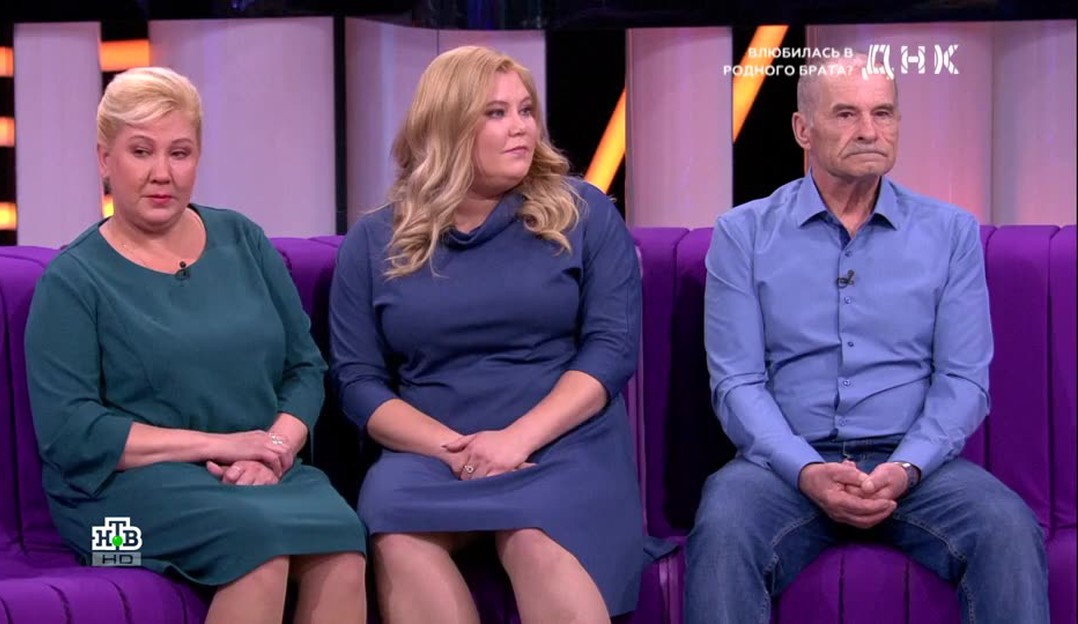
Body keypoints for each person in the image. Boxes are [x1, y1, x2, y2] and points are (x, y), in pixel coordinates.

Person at [684, 55, 1049, 623]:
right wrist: (806, 470)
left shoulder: (950, 233)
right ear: (803, 129)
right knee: (724, 527)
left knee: (1007, 528)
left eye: (883, 113)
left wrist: (906, 468)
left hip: (916, 465)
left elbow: (963, 380)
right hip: (784, 467)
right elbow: (737, 383)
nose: (870, 131)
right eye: (846, 114)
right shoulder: (743, 234)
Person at [24, 67, 367, 624]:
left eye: (179, 153)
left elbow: (304, 367)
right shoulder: (73, 280)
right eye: (141, 152)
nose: (162, 173)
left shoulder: (243, 239)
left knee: (344, 545)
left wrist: (275, 449)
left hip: (263, 473)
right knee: (256, 548)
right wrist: (224, 446)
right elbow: (73, 433)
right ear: (105, 160)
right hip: (113, 510)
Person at [329, 46, 659, 623]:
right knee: (397, 529)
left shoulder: (583, 214)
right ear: (448, 127)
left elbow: (611, 351)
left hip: (562, 443)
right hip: (429, 452)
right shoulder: (376, 239)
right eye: (497, 113)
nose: (521, 127)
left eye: (526, 110)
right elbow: (358, 382)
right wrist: (454, 451)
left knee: (533, 539)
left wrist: (516, 440)